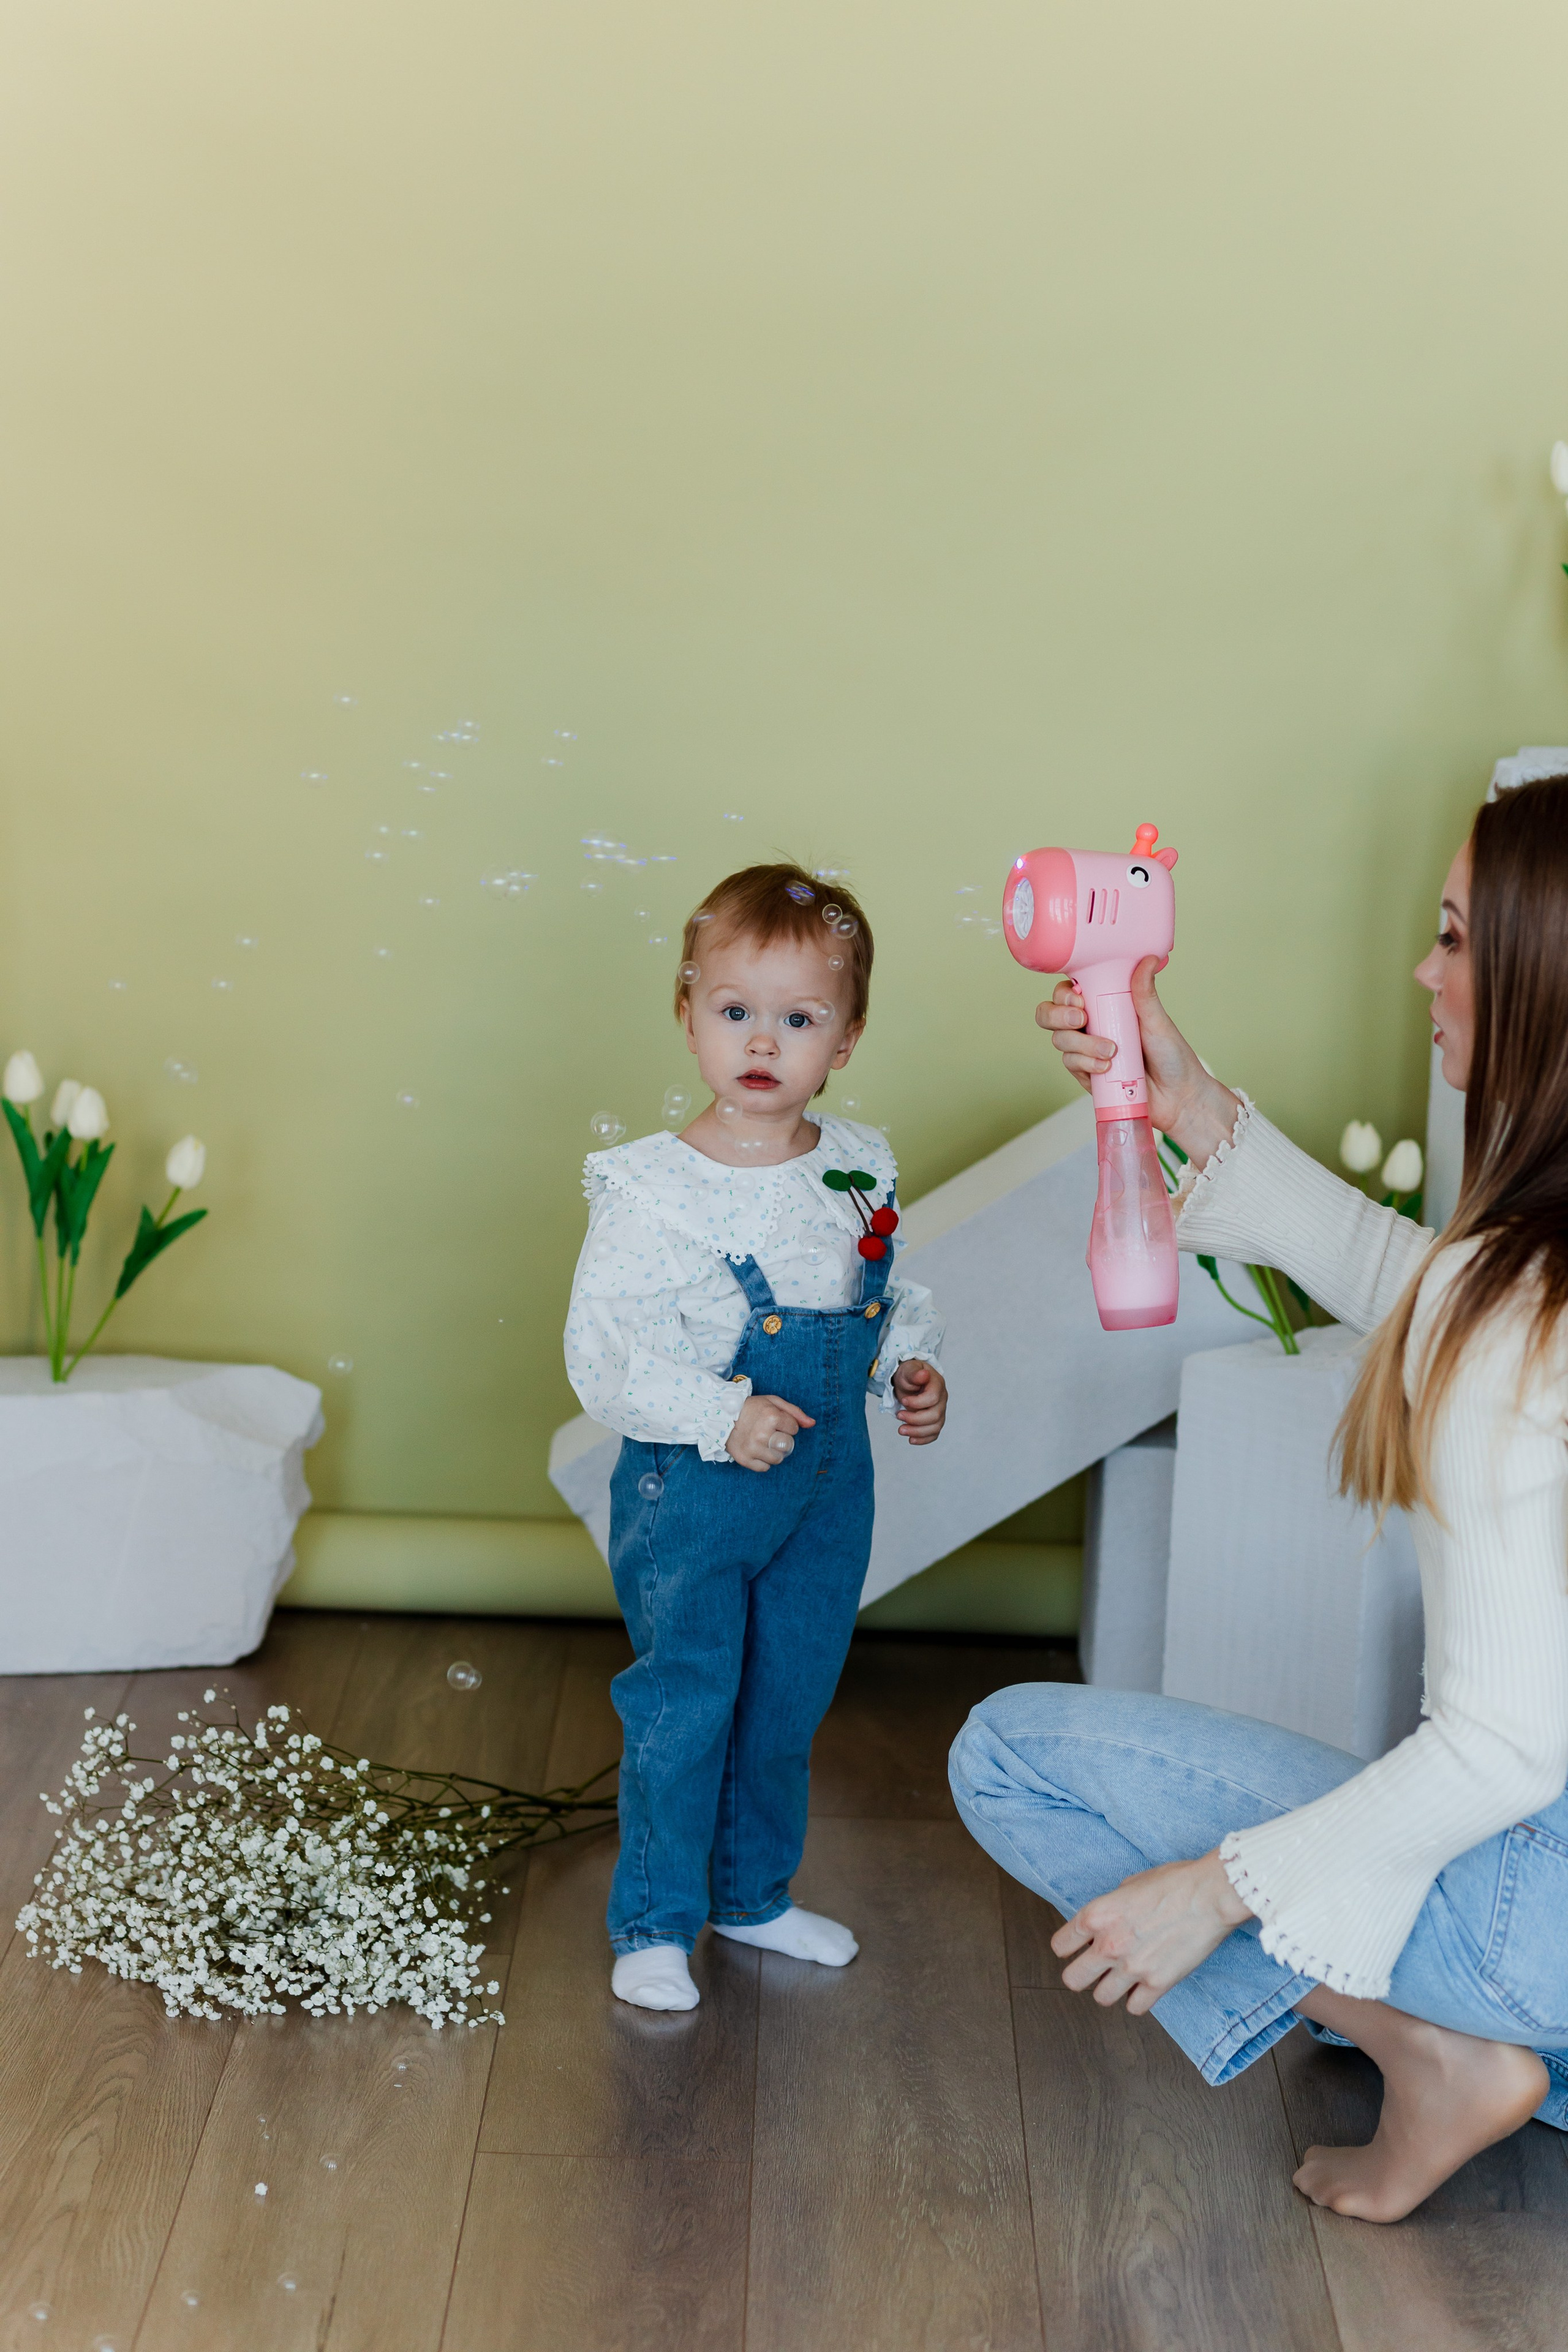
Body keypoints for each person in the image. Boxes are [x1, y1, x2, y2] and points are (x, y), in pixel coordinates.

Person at [949, 776, 1568, 2222]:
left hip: (1540, 1903)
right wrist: (1189, 1103)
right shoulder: (1519, 1291)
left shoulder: (1507, 1321)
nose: (1425, 970)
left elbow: (1499, 1749)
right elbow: (1412, 1283)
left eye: (1455, 938)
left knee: (1008, 1754)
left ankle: (1428, 2050)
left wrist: (1219, 1888)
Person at [566, 862, 948, 2013]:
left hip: (829, 1490)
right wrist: (721, 1416)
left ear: (848, 1034)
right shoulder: (653, 1192)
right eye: (736, 1011)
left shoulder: (854, 1165)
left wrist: (906, 1369)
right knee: (689, 1697)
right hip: (696, 1492)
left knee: (787, 1694)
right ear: (688, 1015)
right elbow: (608, 1356)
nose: (763, 1042)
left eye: (800, 1017)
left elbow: (874, 1293)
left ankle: (751, 1893)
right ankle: (654, 1921)